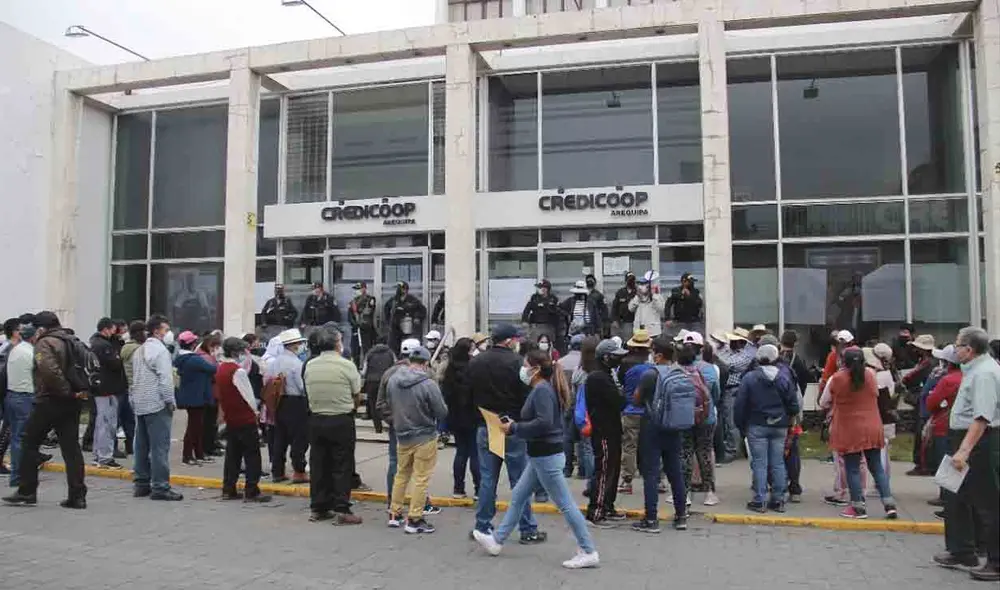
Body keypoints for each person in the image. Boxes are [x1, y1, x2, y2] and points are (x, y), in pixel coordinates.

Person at [472, 350, 599, 569]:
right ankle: (497, 540)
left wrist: (515, 427)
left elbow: (544, 422)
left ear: (536, 369)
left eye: (525, 365)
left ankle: (588, 550)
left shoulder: (541, 390)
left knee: (566, 505)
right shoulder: (543, 389)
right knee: (519, 496)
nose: (522, 369)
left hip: (546, 455)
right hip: (541, 454)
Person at [467, 323, 546, 543]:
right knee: (519, 480)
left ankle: (482, 526)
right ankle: (527, 529)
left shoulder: (476, 362)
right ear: (509, 341)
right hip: (511, 425)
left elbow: (468, 393)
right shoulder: (517, 363)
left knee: (487, 479)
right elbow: (526, 394)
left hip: (487, 424)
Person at [933, 327, 1000, 581]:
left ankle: (995, 560)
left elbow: (982, 417)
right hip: (963, 437)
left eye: (958, 345)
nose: (955, 349)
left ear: (969, 349)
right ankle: (961, 549)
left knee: (987, 501)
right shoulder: (973, 369)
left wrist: (963, 450)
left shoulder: (985, 373)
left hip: (978, 441)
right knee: (955, 495)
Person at [3, 312, 88, 508]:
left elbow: (49, 371)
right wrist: (74, 393)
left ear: (41, 328)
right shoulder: (71, 339)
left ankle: (27, 490)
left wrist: (65, 391)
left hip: (51, 400)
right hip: (73, 400)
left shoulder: (45, 342)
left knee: (28, 442)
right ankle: (77, 495)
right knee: (71, 448)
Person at [823, 347, 897, 520]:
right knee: (876, 467)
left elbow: (824, 401)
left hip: (849, 428)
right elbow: (877, 394)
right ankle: (889, 505)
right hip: (872, 425)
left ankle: (858, 507)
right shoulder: (870, 375)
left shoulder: (838, 378)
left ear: (843, 361)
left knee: (852, 467)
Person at [302, 329, 363, 524]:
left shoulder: (310, 365)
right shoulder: (347, 365)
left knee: (319, 464)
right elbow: (356, 393)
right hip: (341, 419)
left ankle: (318, 507)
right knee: (342, 464)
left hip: (316, 419)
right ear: (338, 344)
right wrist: (352, 407)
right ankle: (342, 508)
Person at [385, 346, 448, 534]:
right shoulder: (428, 384)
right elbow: (441, 411)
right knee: (421, 478)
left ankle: (395, 513)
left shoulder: (393, 380)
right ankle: (415, 518)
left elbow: (389, 403)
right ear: (426, 363)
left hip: (402, 433)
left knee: (401, 474)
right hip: (424, 435)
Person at [630, 337, 689, 533]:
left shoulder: (650, 374)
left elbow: (637, 399)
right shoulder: (680, 372)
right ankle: (681, 516)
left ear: (658, 355)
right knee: (675, 473)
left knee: (651, 474)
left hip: (653, 427)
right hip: (675, 427)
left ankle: (651, 519)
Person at [734, 344, 800, 513]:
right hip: (779, 425)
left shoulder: (749, 378)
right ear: (776, 358)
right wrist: (789, 418)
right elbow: (793, 404)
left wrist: (741, 425)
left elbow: (740, 404)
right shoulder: (783, 377)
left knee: (760, 463)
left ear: (758, 358)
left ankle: (760, 500)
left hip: (756, 424)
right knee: (778, 462)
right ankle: (778, 499)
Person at [375, 338, 436, 515]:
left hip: (398, 427)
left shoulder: (389, 373)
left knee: (397, 466)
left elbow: (380, 403)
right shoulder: (426, 374)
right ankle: (421, 506)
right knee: (421, 471)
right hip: (422, 428)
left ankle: (393, 504)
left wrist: (394, 419)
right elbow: (435, 401)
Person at [129, 315, 183, 502]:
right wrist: (170, 401)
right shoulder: (160, 351)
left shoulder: (139, 350)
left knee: (141, 446)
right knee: (160, 447)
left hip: (140, 402)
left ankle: (141, 484)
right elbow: (165, 379)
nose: (168, 333)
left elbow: (134, 378)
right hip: (157, 403)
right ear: (156, 331)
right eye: (166, 329)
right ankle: (160, 486)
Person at [213, 337, 271, 504]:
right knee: (252, 455)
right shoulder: (237, 371)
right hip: (244, 417)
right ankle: (251, 490)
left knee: (233, 455)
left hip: (231, 417)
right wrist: (256, 412)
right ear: (236, 352)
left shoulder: (221, 369)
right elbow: (248, 396)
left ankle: (229, 488)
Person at [584, 338, 628, 527]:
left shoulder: (607, 375)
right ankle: (596, 511)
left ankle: (608, 506)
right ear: (606, 357)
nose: (619, 360)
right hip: (603, 431)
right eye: (615, 356)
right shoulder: (598, 378)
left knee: (612, 470)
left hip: (611, 429)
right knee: (604, 472)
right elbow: (619, 401)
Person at [681, 332, 720, 506]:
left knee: (686, 453)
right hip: (706, 417)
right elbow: (716, 394)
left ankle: (684, 492)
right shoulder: (709, 368)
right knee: (705, 453)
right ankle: (710, 492)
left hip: (684, 417)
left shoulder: (677, 369)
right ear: (701, 349)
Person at [267, 328, 310, 484]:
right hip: (295, 402)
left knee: (280, 437)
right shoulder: (296, 364)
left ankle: (277, 471)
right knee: (299, 438)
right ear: (294, 345)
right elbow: (302, 387)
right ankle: (299, 470)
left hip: (280, 401)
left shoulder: (275, 362)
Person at [441, 338, 479, 499]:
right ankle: (479, 489)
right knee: (475, 453)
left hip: (456, 417)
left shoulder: (450, 370)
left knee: (461, 452)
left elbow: (446, 395)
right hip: (473, 416)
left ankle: (458, 488)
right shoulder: (473, 369)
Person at [924, 344, 961, 512]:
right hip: (964, 427)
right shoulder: (969, 377)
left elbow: (931, 402)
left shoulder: (947, 380)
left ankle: (946, 498)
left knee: (944, 461)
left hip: (943, 424)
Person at [3, 322, 40, 487]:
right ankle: (19, 476)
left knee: (15, 438)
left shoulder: (14, 350)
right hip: (25, 397)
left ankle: (16, 476)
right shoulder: (31, 352)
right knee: (22, 439)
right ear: (33, 337)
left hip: (11, 395)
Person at [617, 328, 653, 496]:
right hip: (648, 410)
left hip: (630, 410)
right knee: (650, 447)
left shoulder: (624, 365)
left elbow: (621, 384)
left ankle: (627, 480)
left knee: (629, 447)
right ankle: (656, 479)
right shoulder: (650, 367)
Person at [89, 318, 127, 469]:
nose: (114, 332)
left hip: (102, 388)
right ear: (106, 329)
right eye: (112, 329)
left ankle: (98, 455)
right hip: (107, 388)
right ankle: (105, 457)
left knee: (101, 424)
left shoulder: (95, 343)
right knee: (107, 424)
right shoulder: (104, 346)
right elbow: (116, 363)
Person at [174, 331, 217, 466]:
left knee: (197, 426)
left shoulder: (180, 358)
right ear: (192, 344)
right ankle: (187, 456)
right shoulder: (194, 359)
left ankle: (199, 454)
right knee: (193, 427)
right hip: (196, 397)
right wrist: (214, 357)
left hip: (190, 396)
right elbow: (213, 368)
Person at [779, 330, 810, 502]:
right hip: (794, 410)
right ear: (795, 343)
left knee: (778, 448)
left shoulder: (777, 359)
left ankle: (779, 484)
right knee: (793, 449)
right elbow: (805, 380)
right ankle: (795, 487)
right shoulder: (798, 360)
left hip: (778, 411)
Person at [903, 334, 937, 475]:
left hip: (923, 400)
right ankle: (926, 463)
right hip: (929, 399)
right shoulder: (932, 362)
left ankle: (922, 464)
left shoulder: (926, 363)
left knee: (920, 432)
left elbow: (908, 378)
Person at [718, 329, 755, 462]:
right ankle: (732, 447)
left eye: (734, 340)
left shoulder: (746, 356)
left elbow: (727, 365)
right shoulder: (729, 352)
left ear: (741, 342)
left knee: (732, 421)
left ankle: (733, 450)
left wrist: (717, 359)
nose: (730, 342)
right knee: (726, 421)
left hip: (735, 389)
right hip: (726, 388)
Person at [118, 320, 145, 457]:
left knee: (124, 418)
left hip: (125, 386)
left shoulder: (125, 347)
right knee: (131, 420)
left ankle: (129, 445)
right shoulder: (139, 349)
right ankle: (131, 445)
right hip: (135, 386)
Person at [195, 333, 223, 458]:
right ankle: (208, 447)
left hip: (209, 393)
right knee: (209, 422)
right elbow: (215, 373)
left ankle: (210, 445)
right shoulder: (205, 358)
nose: (216, 350)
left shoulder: (202, 356)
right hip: (210, 393)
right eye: (215, 347)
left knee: (209, 422)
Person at [361, 337, 395, 434]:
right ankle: (390, 425)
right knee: (389, 403)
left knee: (373, 405)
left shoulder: (370, 353)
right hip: (387, 380)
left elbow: (364, 371)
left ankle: (378, 428)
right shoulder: (390, 353)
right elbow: (395, 366)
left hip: (372, 382)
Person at [384, 281, 426, 354]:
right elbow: (386, 309)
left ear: (405, 290)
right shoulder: (393, 300)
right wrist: (388, 321)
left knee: (409, 348)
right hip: (395, 329)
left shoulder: (412, 300)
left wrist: (417, 317)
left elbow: (422, 310)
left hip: (409, 329)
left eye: (399, 289)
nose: (398, 291)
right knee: (393, 348)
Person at [628, 271, 665, 338]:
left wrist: (653, 295)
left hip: (653, 332)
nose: (641, 287)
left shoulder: (657, 296)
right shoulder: (636, 297)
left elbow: (661, 309)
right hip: (638, 331)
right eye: (640, 284)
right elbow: (630, 309)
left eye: (643, 284)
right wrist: (638, 297)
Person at [348, 281, 378, 365]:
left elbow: (369, 311)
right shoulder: (353, 301)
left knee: (367, 349)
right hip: (356, 328)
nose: (357, 291)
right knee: (355, 349)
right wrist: (354, 323)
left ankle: (367, 365)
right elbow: (349, 315)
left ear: (364, 289)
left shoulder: (370, 299)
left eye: (359, 289)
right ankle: (356, 366)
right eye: (356, 289)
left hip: (366, 328)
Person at [610, 272, 638, 340]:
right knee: (617, 340)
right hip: (619, 321)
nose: (631, 282)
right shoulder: (620, 292)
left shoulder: (637, 292)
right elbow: (614, 307)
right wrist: (614, 320)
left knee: (628, 340)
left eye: (632, 280)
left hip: (630, 321)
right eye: (629, 280)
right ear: (626, 281)